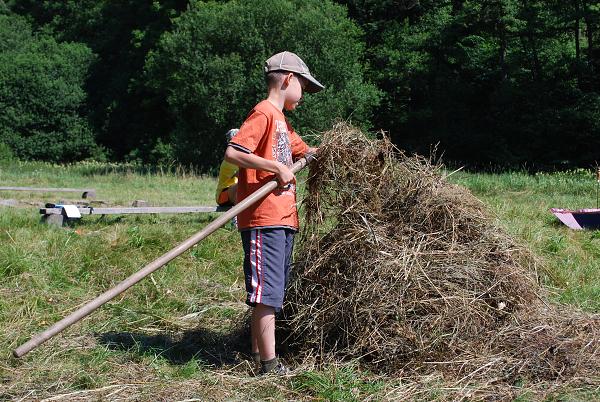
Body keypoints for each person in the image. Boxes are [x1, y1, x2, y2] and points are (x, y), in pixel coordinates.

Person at [224, 51, 323, 375]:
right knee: (266, 293)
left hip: (283, 220)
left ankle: (257, 354)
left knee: (273, 291)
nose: (304, 96)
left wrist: (330, 150)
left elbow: (306, 151)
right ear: (288, 80)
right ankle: (268, 364)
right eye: (304, 89)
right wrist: (274, 167)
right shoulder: (264, 113)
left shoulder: (283, 122)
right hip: (263, 219)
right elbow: (234, 151)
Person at [215, 128, 240, 207]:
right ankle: (236, 218)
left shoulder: (237, 156)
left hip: (233, 194)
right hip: (223, 196)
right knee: (241, 185)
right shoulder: (230, 159)